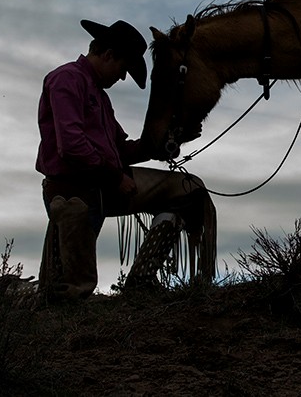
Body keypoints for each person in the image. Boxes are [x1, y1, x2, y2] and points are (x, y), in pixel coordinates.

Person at [36, 19, 214, 301]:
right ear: (108, 55)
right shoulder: (66, 79)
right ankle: (14, 292)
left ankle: (140, 280)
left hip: (104, 186)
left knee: (187, 188)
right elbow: (71, 146)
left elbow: (121, 151)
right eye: (122, 69)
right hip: (74, 191)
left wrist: (170, 141)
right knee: (70, 291)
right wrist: (115, 177)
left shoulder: (100, 97)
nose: (121, 78)